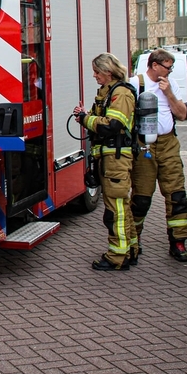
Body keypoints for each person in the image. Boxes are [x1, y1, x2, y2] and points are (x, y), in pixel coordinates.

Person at [74, 53, 138, 271]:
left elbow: (111, 125)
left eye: (97, 71)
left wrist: (85, 119)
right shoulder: (108, 92)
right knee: (122, 207)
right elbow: (97, 120)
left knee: (115, 209)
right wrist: (84, 115)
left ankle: (117, 257)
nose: (94, 75)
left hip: (116, 159)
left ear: (108, 71)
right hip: (110, 157)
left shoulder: (120, 93)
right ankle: (130, 249)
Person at [130, 48, 187, 263]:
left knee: (177, 195)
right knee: (141, 198)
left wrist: (169, 94)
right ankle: (133, 241)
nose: (170, 71)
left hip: (168, 144)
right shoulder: (135, 84)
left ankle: (178, 242)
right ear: (154, 65)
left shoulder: (170, 84)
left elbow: (182, 115)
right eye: (168, 67)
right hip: (143, 146)